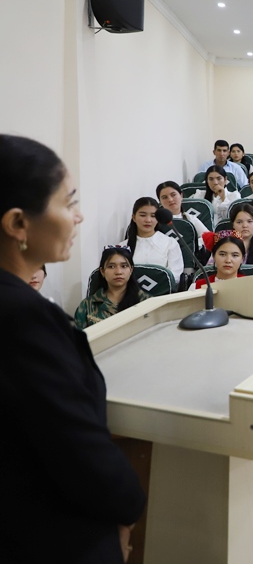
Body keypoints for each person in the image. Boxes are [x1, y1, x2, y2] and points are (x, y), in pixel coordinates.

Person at [0, 133, 145, 562]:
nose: (79, 216)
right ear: (18, 224)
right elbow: (74, 447)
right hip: (49, 535)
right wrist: (128, 508)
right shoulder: (23, 317)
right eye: (69, 203)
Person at [74, 246, 148, 329]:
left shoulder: (146, 302)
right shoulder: (87, 305)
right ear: (102, 271)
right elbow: (78, 336)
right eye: (111, 266)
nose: (118, 272)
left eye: (124, 266)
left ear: (131, 270)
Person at [121, 196, 185, 280]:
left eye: (153, 216)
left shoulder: (170, 243)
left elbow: (175, 276)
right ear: (134, 218)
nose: (148, 220)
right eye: (143, 215)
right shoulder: (122, 247)